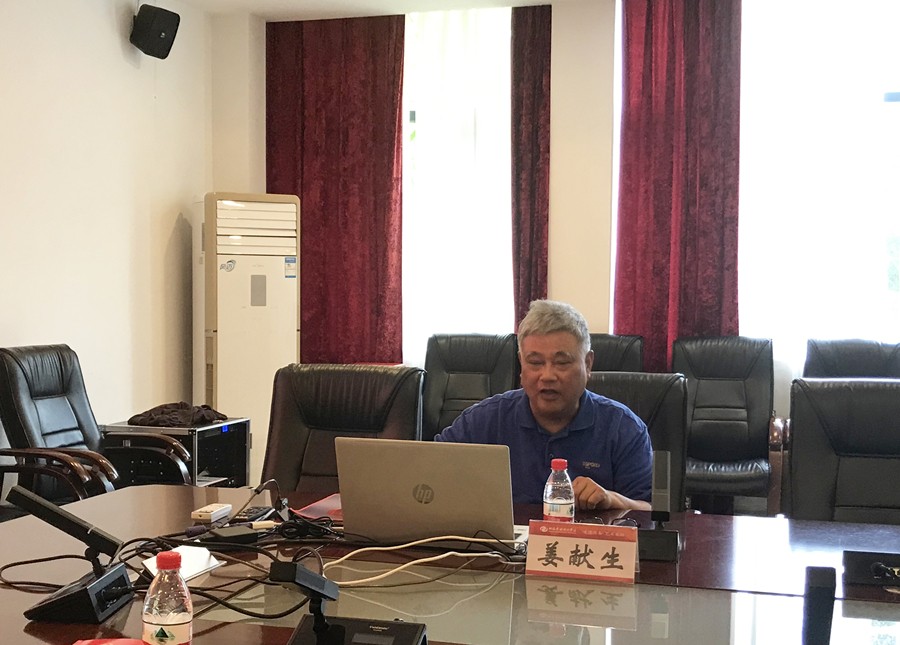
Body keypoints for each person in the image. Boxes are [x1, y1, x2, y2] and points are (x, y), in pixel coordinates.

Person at [435, 299, 652, 511]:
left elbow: (652, 512)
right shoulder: (483, 420)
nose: (547, 376)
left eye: (562, 362)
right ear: (521, 365)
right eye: (535, 362)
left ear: (587, 365)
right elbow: (429, 475)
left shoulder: (623, 428)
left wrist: (611, 500)